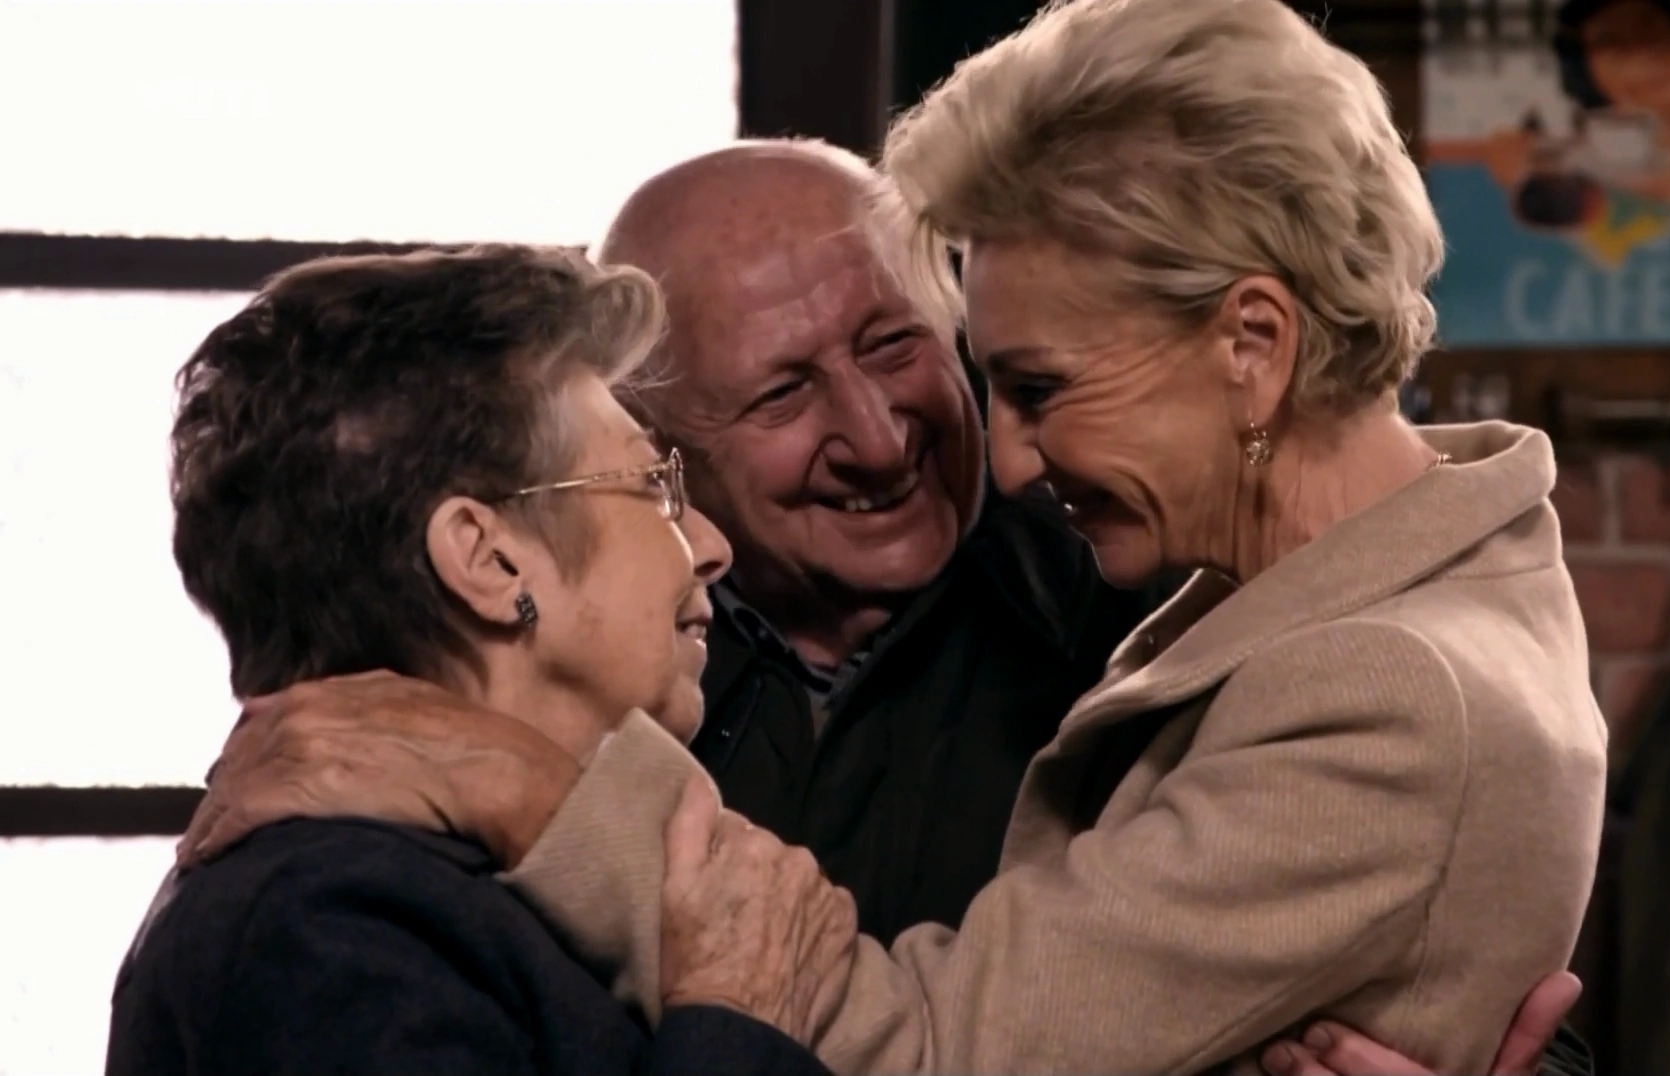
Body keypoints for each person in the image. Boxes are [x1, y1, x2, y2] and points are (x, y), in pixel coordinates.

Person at [179, 144, 1595, 1074]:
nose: (876, 434)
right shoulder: (531, 717)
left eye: (896, 345)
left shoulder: (1153, 609)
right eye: (783, 393)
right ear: (667, 439)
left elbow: (1423, 918)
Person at [108, 245, 848, 1076]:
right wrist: (739, 1017)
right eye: (654, 486)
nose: (711, 548)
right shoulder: (332, 929)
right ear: (489, 560)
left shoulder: (425, 894)